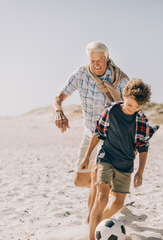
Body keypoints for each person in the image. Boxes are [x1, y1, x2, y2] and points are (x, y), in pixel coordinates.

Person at [52, 41, 129, 221]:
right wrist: (58, 112)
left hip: (110, 135)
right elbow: (58, 97)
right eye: (92, 60)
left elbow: (132, 108)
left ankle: (91, 220)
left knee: (95, 175)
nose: (96, 64)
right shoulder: (81, 74)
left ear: (107, 58)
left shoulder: (120, 79)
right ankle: (105, 188)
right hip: (89, 132)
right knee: (80, 180)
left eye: (100, 60)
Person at [80, 78, 159, 240]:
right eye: (130, 105)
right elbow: (98, 133)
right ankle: (91, 237)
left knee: (117, 203)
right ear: (124, 95)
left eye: (137, 107)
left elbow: (143, 147)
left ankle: (97, 224)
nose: (132, 109)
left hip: (126, 165)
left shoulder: (141, 120)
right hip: (106, 158)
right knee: (102, 197)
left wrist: (140, 171)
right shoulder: (111, 111)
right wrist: (87, 156)